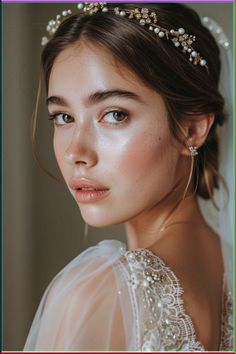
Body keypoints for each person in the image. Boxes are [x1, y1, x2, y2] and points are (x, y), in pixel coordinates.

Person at [24, 2, 233, 351]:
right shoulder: (227, 264)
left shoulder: (97, 292)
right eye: (62, 117)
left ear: (192, 128)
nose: (77, 153)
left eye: (114, 114)